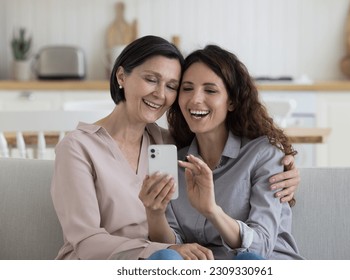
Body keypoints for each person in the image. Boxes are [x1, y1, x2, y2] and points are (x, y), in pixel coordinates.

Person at [51, 35, 299, 260]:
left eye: (171, 86)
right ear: (121, 76)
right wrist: (165, 250)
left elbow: (240, 156)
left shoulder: (170, 145)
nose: (160, 94)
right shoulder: (77, 147)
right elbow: (85, 242)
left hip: (161, 262)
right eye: (151, 79)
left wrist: (287, 170)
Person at [140, 45, 304, 260]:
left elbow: (261, 246)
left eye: (210, 90)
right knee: (164, 257)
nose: (195, 99)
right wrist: (154, 213)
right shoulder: (176, 161)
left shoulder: (264, 154)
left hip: (262, 263)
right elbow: (174, 243)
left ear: (232, 101)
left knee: (249, 261)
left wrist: (212, 210)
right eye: (187, 88)